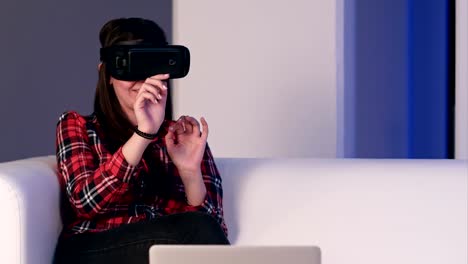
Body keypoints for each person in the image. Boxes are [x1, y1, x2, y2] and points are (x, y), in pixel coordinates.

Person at [53, 17, 229, 264]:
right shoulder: (78, 126)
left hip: (160, 252)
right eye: (129, 66)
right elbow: (85, 201)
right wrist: (144, 133)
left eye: (150, 65)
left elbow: (215, 229)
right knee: (196, 231)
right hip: (93, 248)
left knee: (199, 230)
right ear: (107, 74)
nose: (141, 79)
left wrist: (190, 172)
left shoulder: (182, 136)